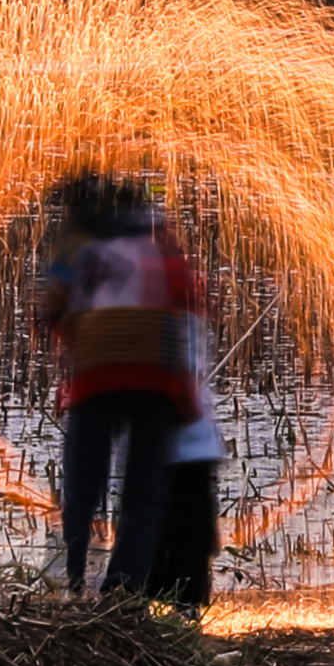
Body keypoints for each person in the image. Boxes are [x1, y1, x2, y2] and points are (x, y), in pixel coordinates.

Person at [39, 175, 198, 597]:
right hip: (156, 380)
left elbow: (55, 301)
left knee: (82, 487)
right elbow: (189, 302)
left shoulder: (81, 244)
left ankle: (71, 580)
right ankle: (124, 588)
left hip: (96, 377)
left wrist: (69, 339)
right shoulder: (162, 245)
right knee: (143, 493)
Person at [146, 306, 224, 614]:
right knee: (180, 531)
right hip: (173, 447)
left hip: (185, 447)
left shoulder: (170, 321)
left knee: (181, 531)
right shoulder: (178, 319)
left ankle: (182, 607)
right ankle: (178, 606)